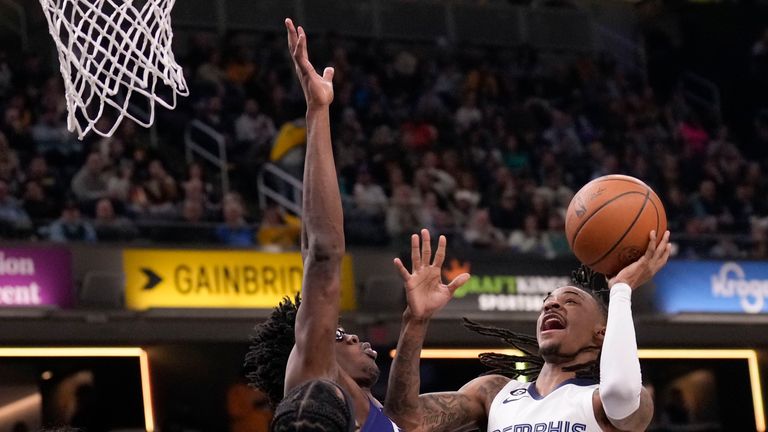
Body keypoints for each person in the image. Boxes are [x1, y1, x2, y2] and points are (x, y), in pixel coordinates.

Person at [244, 19, 400, 431]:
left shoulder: (370, 408)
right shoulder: (317, 378)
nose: (352, 338)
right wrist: (317, 113)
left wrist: (416, 324)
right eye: (336, 334)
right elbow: (323, 255)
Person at [386, 228, 671, 431]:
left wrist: (621, 290)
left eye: (570, 301)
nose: (551, 306)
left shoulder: (606, 400)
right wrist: (415, 321)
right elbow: (408, 420)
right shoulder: (495, 392)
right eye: (547, 302)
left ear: (602, 334)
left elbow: (621, 392)